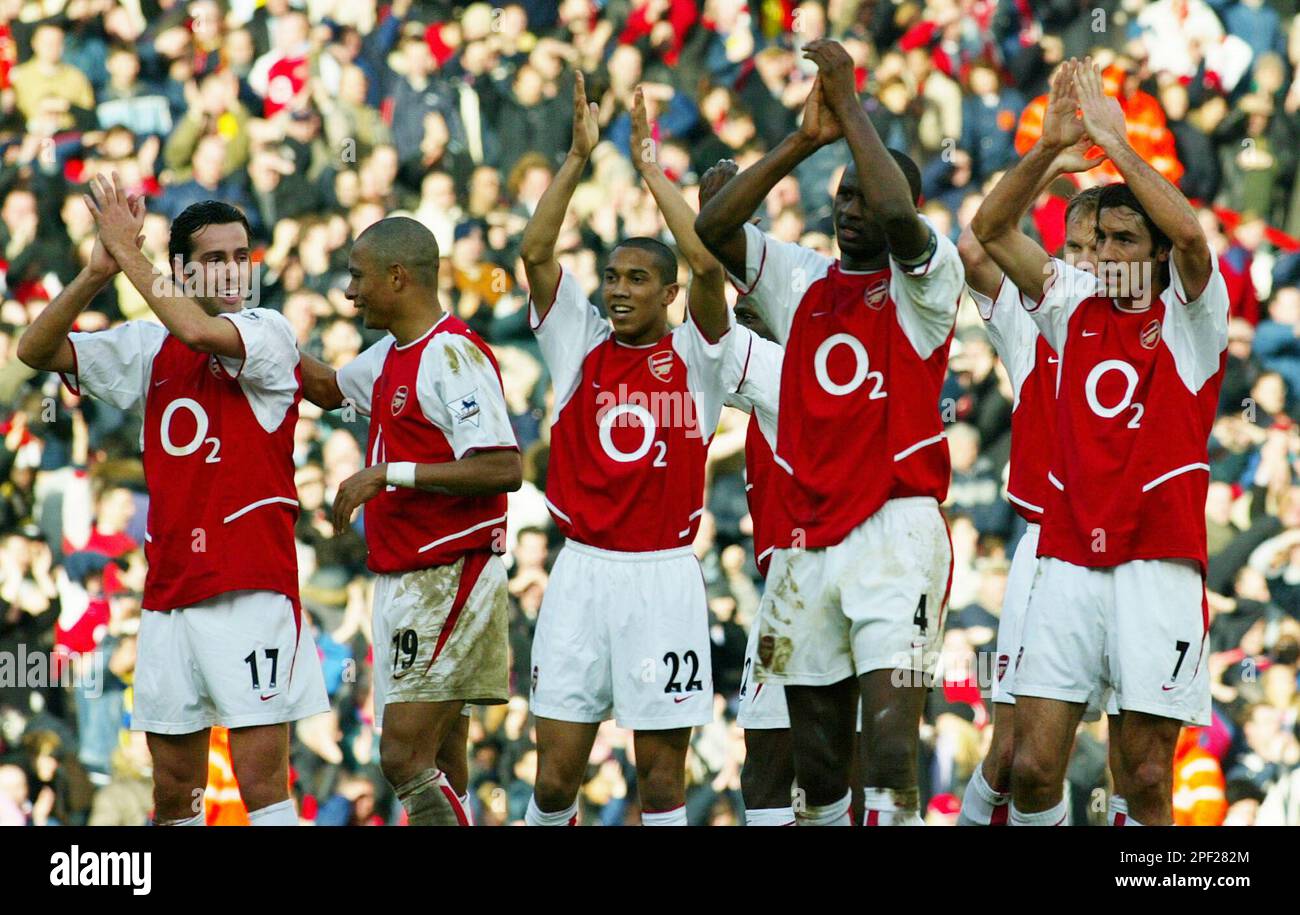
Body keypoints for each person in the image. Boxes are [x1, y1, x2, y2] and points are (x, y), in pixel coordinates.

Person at [696, 38, 965, 826]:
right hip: (806, 537)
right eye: (842, 196)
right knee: (817, 763)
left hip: (898, 531)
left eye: (865, 197)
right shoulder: (800, 277)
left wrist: (849, 107)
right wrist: (802, 141)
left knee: (888, 747)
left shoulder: (925, 285)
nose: (852, 207)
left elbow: (897, 215)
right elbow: (714, 227)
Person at [17, 182, 329, 826]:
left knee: (262, 785)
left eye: (242, 254)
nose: (234, 270)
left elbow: (192, 326)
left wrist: (129, 253)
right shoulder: (145, 346)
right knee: (174, 793)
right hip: (168, 595)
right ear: (183, 270)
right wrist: (96, 271)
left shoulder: (267, 331)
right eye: (215, 258)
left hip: (250, 585)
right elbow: (34, 349)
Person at [970, 58, 1229, 826]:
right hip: (1068, 556)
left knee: (1147, 774)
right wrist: (1048, 149)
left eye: (1125, 239)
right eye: (1099, 240)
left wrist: (1118, 145)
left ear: (1151, 254)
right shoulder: (1070, 305)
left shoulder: (1191, 320)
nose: (1109, 253)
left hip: (1160, 562)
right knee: (1032, 764)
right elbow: (987, 234)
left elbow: (1188, 233)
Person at [519, 78, 739, 826]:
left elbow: (709, 266)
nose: (617, 291)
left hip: (663, 578)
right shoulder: (578, 343)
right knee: (553, 780)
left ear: (669, 294)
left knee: (662, 781)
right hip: (580, 570)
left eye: (637, 279)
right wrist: (579, 158)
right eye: (611, 277)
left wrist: (649, 169)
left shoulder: (698, 358)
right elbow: (535, 249)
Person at [298, 216, 521, 826]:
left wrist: (389, 473)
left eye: (358, 276)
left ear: (398, 277)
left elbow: (504, 466)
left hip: (451, 574)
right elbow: (324, 387)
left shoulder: (452, 354)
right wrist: (252, 333)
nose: (349, 291)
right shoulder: (392, 355)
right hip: (406, 577)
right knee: (441, 760)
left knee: (399, 755)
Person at [956, 155, 1136, 824]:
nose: (1087, 262)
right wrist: (1049, 161)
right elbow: (975, 245)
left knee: (1136, 764)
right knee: (1015, 758)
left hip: (1140, 553)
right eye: (1074, 249)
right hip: (1048, 551)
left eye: (1102, 248)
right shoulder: (1032, 321)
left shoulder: (1160, 324)